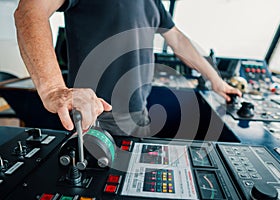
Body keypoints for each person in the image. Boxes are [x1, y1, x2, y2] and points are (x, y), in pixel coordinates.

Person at [14, 0, 241, 136]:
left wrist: (217, 81)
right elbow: (29, 11)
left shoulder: (153, 2)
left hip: (139, 112)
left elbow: (178, 41)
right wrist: (54, 89)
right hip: (97, 115)